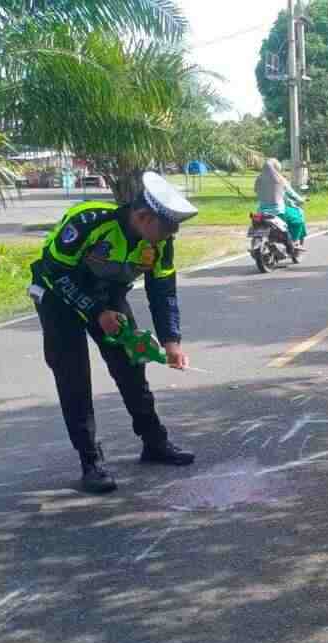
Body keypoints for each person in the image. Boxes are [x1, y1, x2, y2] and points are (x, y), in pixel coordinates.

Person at [28, 172, 199, 494]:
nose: (166, 238)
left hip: (109, 296)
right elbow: (54, 270)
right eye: (164, 230)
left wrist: (171, 341)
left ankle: (154, 443)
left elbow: (163, 290)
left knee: (132, 366)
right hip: (58, 296)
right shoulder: (90, 221)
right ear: (142, 216)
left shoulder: (161, 242)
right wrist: (95, 312)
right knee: (74, 377)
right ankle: (90, 462)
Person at [255, 158, 307, 252]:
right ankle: (293, 242)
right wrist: (301, 200)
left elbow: (256, 191)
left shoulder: (258, 179)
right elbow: (291, 193)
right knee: (297, 220)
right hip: (278, 211)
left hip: (261, 212)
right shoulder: (280, 179)